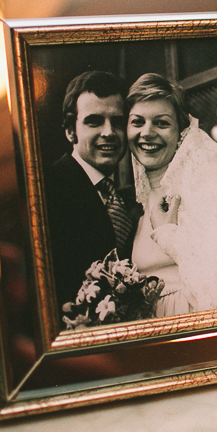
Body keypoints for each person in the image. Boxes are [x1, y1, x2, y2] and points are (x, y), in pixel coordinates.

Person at [125, 73, 217, 316]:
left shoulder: (205, 179)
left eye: (161, 123)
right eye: (137, 122)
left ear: (181, 131)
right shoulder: (144, 195)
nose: (147, 132)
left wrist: (168, 233)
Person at [44, 71, 141, 312]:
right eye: (94, 121)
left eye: (117, 122)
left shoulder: (122, 195)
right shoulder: (48, 189)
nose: (108, 132)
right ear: (70, 131)